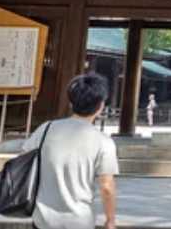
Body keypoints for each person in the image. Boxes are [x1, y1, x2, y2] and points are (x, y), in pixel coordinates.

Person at [25, 73, 119, 229]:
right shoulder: (104, 142)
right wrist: (110, 220)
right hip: (79, 220)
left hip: (43, 219)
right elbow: (107, 186)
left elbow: (25, 159)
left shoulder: (46, 129)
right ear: (101, 105)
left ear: (71, 102)